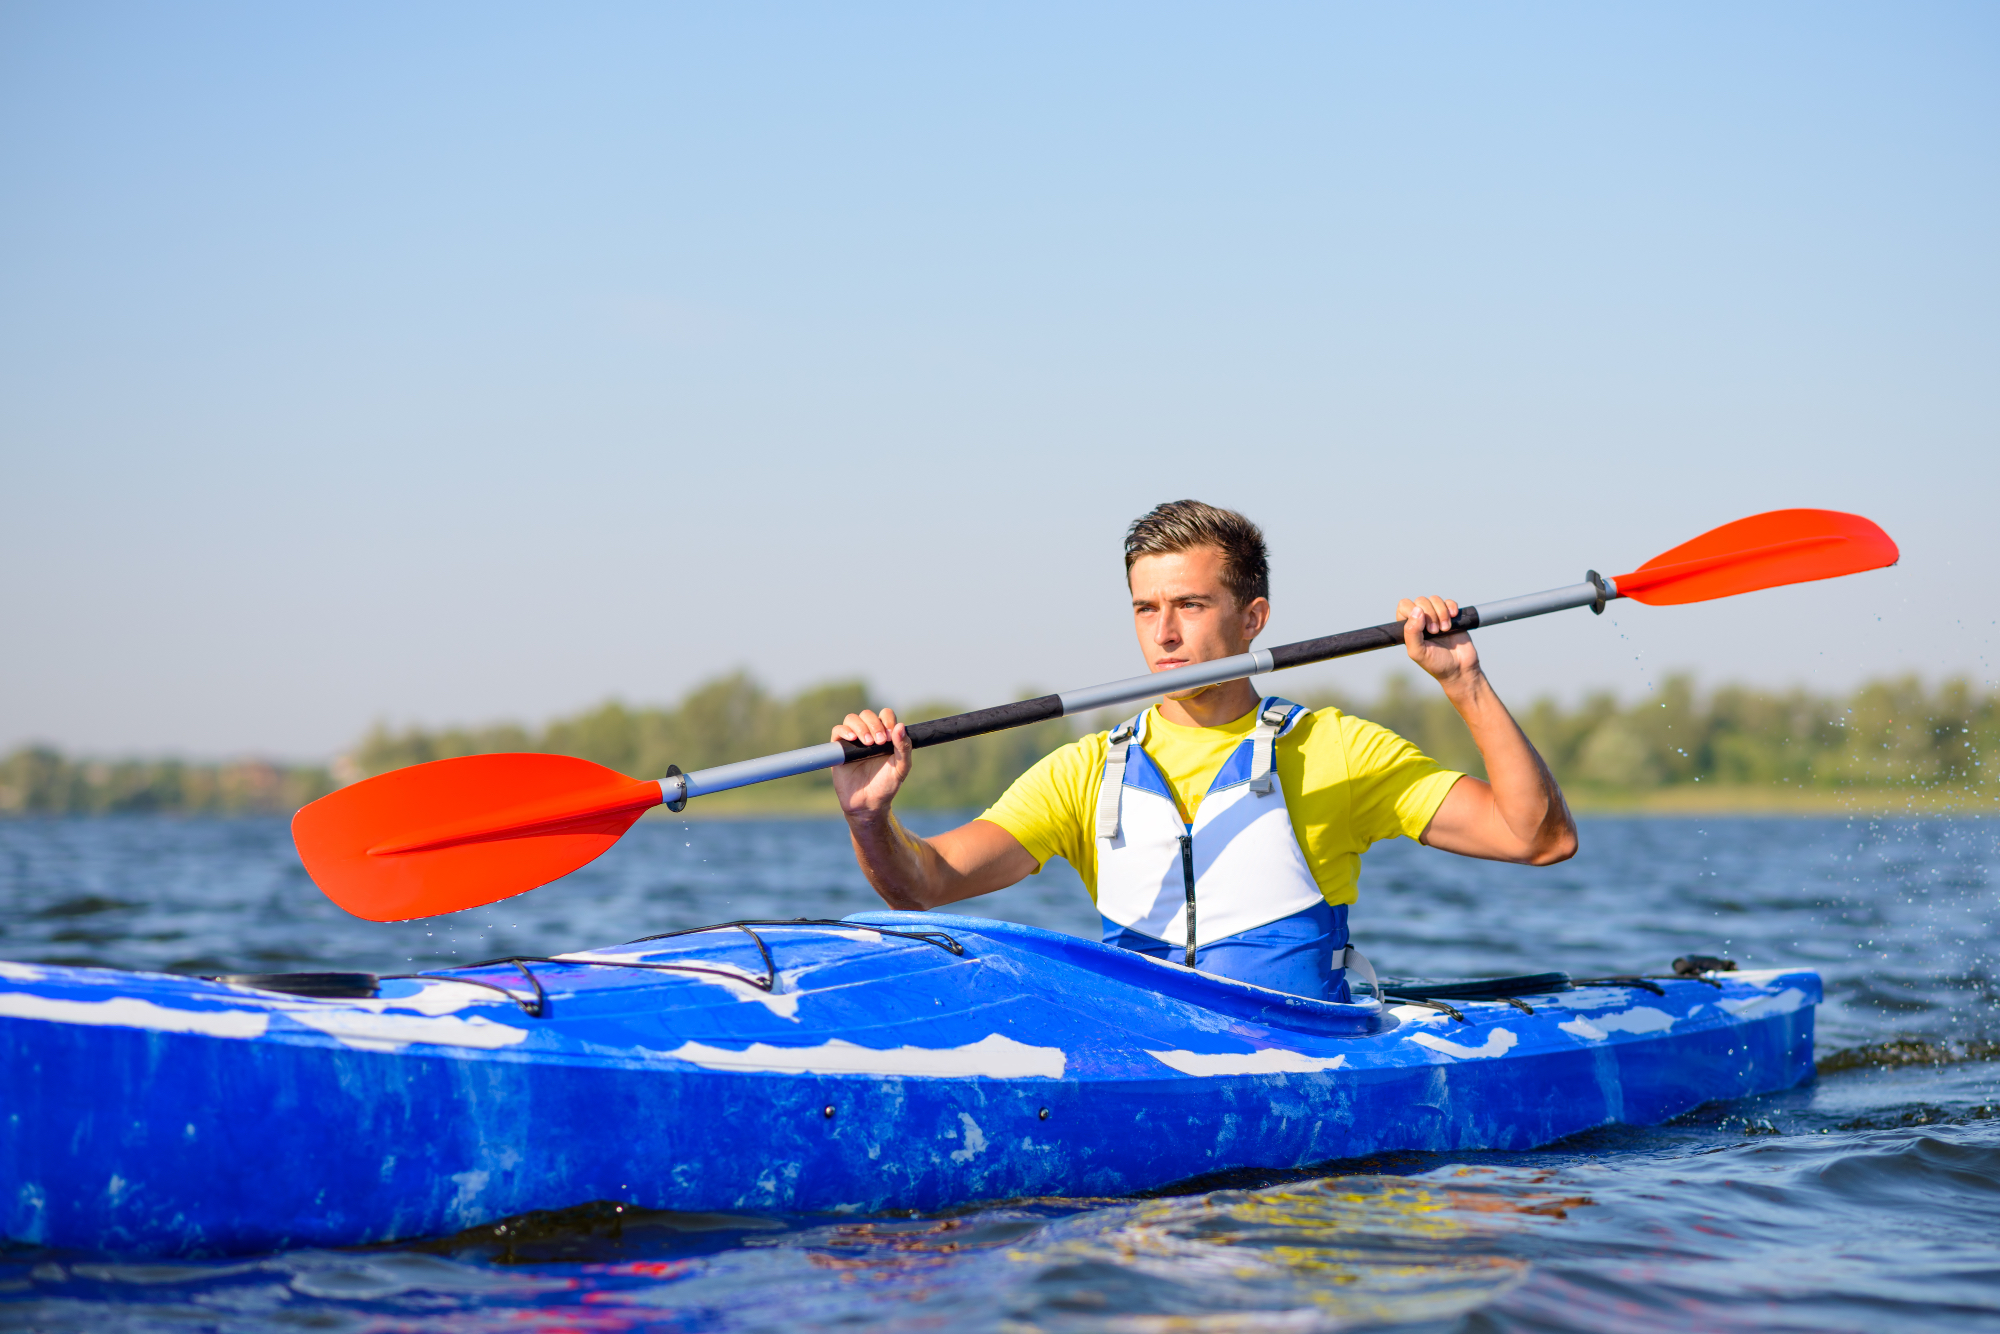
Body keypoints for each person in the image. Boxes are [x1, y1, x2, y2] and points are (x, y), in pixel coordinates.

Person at [830, 500, 1577, 1001]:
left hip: (1296, 1060)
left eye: (1189, 605)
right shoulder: (1084, 771)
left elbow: (1537, 838)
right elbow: (922, 886)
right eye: (1146, 609)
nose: (1165, 635)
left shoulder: (1334, 749)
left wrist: (1464, 682)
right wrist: (871, 819)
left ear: (1253, 619)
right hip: (1149, 1062)